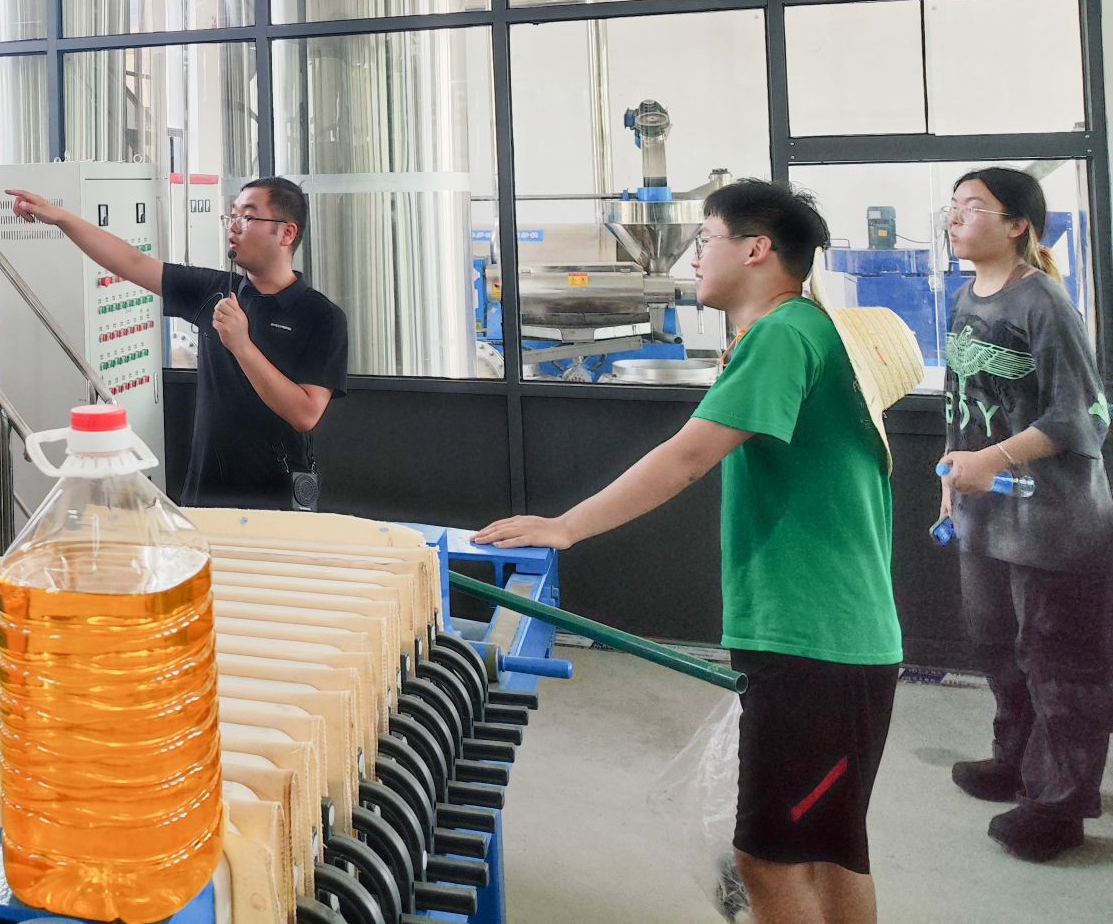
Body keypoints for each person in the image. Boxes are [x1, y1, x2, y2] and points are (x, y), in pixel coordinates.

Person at [475, 179, 900, 924]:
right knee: (828, 850)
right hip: (834, 635)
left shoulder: (784, 333)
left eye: (706, 240)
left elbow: (689, 456)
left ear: (757, 249)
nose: (695, 257)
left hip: (814, 639)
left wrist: (567, 525)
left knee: (770, 858)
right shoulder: (804, 330)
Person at [934, 167, 1113, 863]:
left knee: (1059, 664)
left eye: (972, 206)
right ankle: (1015, 763)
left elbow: (1084, 416)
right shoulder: (963, 298)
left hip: (1054, 524)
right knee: (999, 649)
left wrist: (992, 459)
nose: (955, 216)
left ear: (1018, 226)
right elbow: (963, 402)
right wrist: (952, 474)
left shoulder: (1043, 302)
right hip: (984, 517)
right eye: (953, 206)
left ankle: (1060, 808)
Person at [4, 176, 347, 509]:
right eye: (231, 215)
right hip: (206, 493)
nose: (233, 226)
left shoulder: (321, 316)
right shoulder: (215, 291)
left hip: (276, 498)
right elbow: (131, 261)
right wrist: (60, 217)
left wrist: (241, 345)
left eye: (247, 216)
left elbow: (305, 414)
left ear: (287, 233)